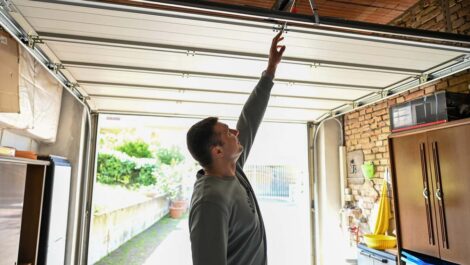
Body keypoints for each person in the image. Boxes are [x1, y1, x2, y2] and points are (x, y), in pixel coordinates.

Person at [186, 31, 286, 265]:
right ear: (217, 151)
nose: (236, 132)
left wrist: (270, 69)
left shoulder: (233, 170)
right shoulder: (209, 201)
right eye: (228, 132)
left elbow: (249, 118)